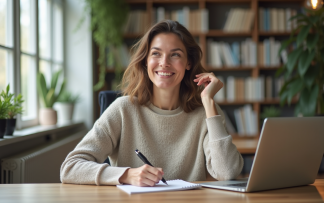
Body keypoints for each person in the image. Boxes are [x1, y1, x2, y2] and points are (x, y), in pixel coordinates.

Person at [60, 20, 243, 187]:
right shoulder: (123, 109)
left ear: (188, 63)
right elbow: (70, 167)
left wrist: (208, 102)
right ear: (146, 61)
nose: (164, 63)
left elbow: (227, 172)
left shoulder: (206, 113)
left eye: (175, 55)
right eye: (156, 53)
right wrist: (126, 175)